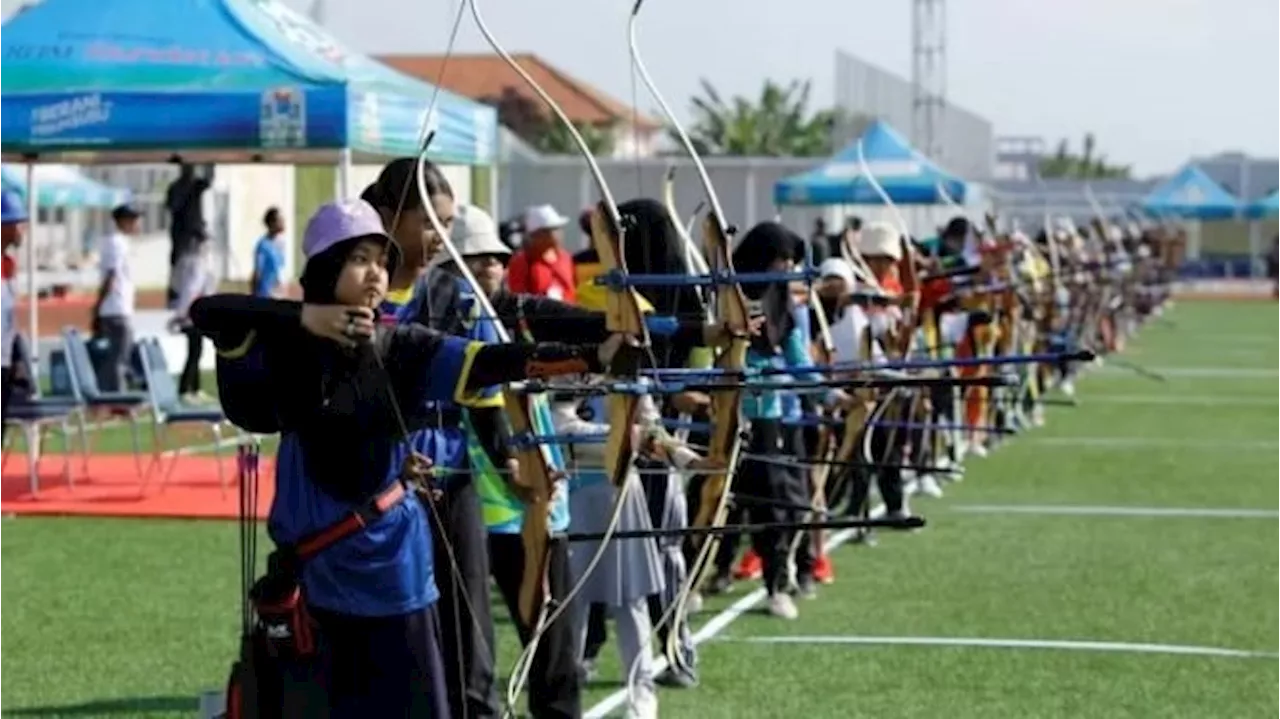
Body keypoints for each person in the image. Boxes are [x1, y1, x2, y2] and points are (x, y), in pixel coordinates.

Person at [190, 198, 624, 718]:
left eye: (381, 260)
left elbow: (491, 361)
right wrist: (308, 317)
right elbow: (207, 311)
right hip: (317, 574)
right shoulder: (287, 342)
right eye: (359, 259)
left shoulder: (402, 346)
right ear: (327, 268)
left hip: (395, 573)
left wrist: (594, 354)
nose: (376, 273)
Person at [93, 204, 140, 393]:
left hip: (118, 307)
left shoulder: (120, 243)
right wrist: (98, 306)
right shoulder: (115, 243)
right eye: (134, 220)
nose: (137, 224)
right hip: (115, 308)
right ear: (123, 221)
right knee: (120, 357)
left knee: (118, 356)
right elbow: (111, 276)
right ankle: (116, 397)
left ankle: (111, 393)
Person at [169, 237, 218, 402]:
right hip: (192, 315)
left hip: (195, 313)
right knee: (194, 351)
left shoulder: (195, 262)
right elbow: (190, 290)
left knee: (196, 351)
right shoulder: (196, 263)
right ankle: (185, 389)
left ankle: (195, 388)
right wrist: (182, 314)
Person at [164, 161, 214, 305]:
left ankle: (200, 300)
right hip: (181, 237)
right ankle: (175, 299)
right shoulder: (175, 187)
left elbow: (209, 181)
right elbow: (172, 206)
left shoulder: (196, 185)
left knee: (200, 268)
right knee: (179, 269)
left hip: (195, 235)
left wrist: (210, 161)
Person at [0, 189, 28, 433]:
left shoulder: (9, 265)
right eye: (18, 222)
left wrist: (17, 355)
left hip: (4, 360)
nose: (23, 229)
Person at [508, 204, 576, 302]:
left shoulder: (566, 258)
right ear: (537, 234)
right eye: (553, 229)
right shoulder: (522, 261)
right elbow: (518, 298)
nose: (559, 233)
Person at [251, 207, 286, 298]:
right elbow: (258, 271)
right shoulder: (263, 245)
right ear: (271, 223)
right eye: (280, 220)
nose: (283, 222)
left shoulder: (281, 243)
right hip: (266, 294)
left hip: (278, 293)